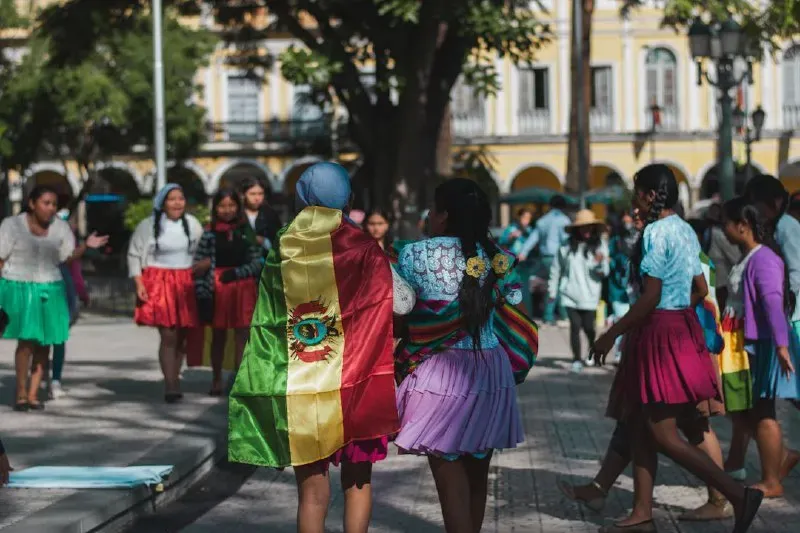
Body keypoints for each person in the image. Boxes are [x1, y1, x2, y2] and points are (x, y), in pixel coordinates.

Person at [229, 162, 409, 533]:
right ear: (348, 199)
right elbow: (401, 303)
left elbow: (270, 319)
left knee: (311, 496)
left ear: (301, 197)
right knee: (358, 485)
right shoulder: (362, 245)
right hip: (358, 386)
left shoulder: (283, 244)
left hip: (303, 389)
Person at [591, 164, 763, 533]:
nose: (635, 199)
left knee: (663, 434)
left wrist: (611, 333)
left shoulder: (654, 233)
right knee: (639, 427)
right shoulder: (685, 230)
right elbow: (701, 288)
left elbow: (650, 296)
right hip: (680, 327)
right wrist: (674, 303)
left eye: (638, 192)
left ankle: (736, 493)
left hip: (658, 334)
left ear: (652, 196)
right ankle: (641, 513)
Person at [394, 178, 524, 533]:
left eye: (434, 209)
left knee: (450, 482)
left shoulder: (413, 254)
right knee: (478, 475)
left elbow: (400, 310)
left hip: (439, 373)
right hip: (489, 369)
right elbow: (515, 305)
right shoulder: (500, 258)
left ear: (443, 215)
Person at [720, 196, 799, 498]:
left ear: (743, 226)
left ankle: (771, 480)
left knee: (762, 409)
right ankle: (778, 461)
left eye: (726, 223)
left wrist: (781, 346)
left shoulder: (763, 259)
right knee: (748, 410)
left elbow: (772, 303)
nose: (724, 230)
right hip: (745, 345)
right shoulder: (749, 257)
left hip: (760, 345)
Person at [0, 185, 106, 411]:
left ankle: (33, 393)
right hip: (19, 284)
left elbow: (66, 258)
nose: (50, 208)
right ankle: (20, 391)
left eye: (54, 205)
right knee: (26, 341)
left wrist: (85, 246)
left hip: (51, 286)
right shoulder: (12, 225)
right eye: (45, 203)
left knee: (44, 342)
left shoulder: (61, 228)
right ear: (32, 203)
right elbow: (1, 257)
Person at [128, 184, 204, 403]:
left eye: (181, 198)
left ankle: (175, 375)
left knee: (181, 336)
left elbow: (202, 250)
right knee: (168, 334)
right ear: (162, 203)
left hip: (185, 282)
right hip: (159, 282)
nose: (177, 203)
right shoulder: (149, 225)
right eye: (172, 199)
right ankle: (170, 383)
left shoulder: (192, 224)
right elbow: (134, 254)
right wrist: (139, 282)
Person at [192, 188, 263, 396]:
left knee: (243, 335)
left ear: (238, 207)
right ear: (215, 208)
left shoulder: (246, 231)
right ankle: (216, 379)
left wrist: (238, 273)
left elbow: (258, 261)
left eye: (231, 205)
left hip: (242, 287)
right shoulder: (209, 232)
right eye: (222, 206)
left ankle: (240, 380)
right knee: (218, 335)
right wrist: (202, 291)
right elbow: (199, 264)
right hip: (217, 288)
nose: (227, 210)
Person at [548, 209, 609, 372]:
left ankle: (592, 348)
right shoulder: (565, 246)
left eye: (589, 227)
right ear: (576, 229)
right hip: (569, 294)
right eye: (583, 227)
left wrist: (598, 263)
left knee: (589, 327)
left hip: (590, 294)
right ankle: (576, 359)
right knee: (575, 326)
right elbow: (556, 269)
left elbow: (605, 272)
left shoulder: (600, 245)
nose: (587, 231)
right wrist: (552, 292)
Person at [50, 209, 91, 400]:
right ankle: (40, 376)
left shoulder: (65, 234)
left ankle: (55, 379)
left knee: (59, 336)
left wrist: (81, 292)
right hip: (34, 285)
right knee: (35, 337)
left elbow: (74, 269)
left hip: (62, 287)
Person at [519, 195, 570, 325]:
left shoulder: (542, 221)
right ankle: (552, 315)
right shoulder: (563, 220)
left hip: (544, 258)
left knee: (551, 285)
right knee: (558, 286)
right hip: (558, 257)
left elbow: (533, 238)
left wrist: (523, 252)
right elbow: (566, 240)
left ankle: (553, 315)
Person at [607, 211, 638, 363]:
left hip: (636, 288)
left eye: (629, 219)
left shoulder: (640, 239)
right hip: (619, 288)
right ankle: (619, 353)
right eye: (624, 219)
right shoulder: (616, 240)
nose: (627, 222)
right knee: (620, 321)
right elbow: (610, 260)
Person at [706, 202, 742, 312]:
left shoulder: (718, 234)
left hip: (721, 287)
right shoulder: (715, 233)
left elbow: (736, 258)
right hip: (716, 287)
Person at [500, 208, 534, 314]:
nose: (526, 221)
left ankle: (527, 315)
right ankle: (511, 313)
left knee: (525, 289)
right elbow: (501, 242)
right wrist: (511, 237)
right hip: (511, 264)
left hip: (524, 264)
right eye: (524, 218)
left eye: (529, 218)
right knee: (511, 288)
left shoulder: (530, 231)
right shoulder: (511, 229)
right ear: (519, 217)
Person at [240, 177, 282, 253]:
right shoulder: (237, 214)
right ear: (243, 195)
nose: (257, 198)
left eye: (260, 193)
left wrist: (265, 241)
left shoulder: (270, 214)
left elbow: (279, 239)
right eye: (252, 194)